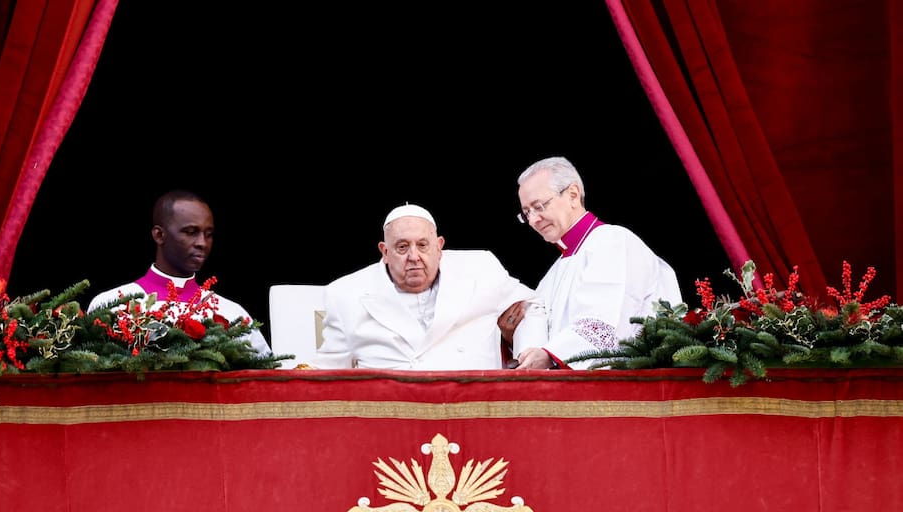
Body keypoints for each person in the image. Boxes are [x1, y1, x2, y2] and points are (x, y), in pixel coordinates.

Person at [310, 203, 547, 370]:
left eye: (422, 245)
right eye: (402, 247)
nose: (414, 256)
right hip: (392, 412)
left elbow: (533, 306)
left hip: (472, 405)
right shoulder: (345, 293)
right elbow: (329, 369)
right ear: (385, 252)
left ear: (439, 246)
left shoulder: (480, 269)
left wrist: (528, 352)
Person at [505, 156, 683, 369]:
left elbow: (606, 322)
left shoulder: (612, 241)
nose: (534, 220)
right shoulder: (552, 274)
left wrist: (551, 355)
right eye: (527, 213)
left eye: (539, 206)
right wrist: (514, 337)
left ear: (573, 195)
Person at [86, 189, 272, 357]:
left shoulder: (232, 313)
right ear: (159, 235)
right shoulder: (112, 304)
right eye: (191, 232)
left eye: (208, 234)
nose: (202, 243)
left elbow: (268, 376)